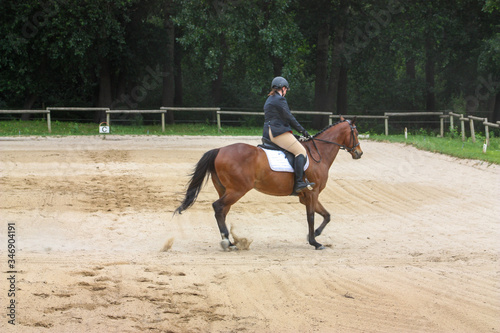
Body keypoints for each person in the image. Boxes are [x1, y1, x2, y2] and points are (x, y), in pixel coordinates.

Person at [262, 76, 315, 194]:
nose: (286, 92)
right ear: (283, 88)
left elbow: (280, 119)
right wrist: (302, 131)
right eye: (286, 89)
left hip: (270, 131)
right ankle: (299, 182)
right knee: (300, 151)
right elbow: (289, 117)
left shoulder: (270, 99)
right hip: (277, 132)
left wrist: (295, 134)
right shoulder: (280, 99)